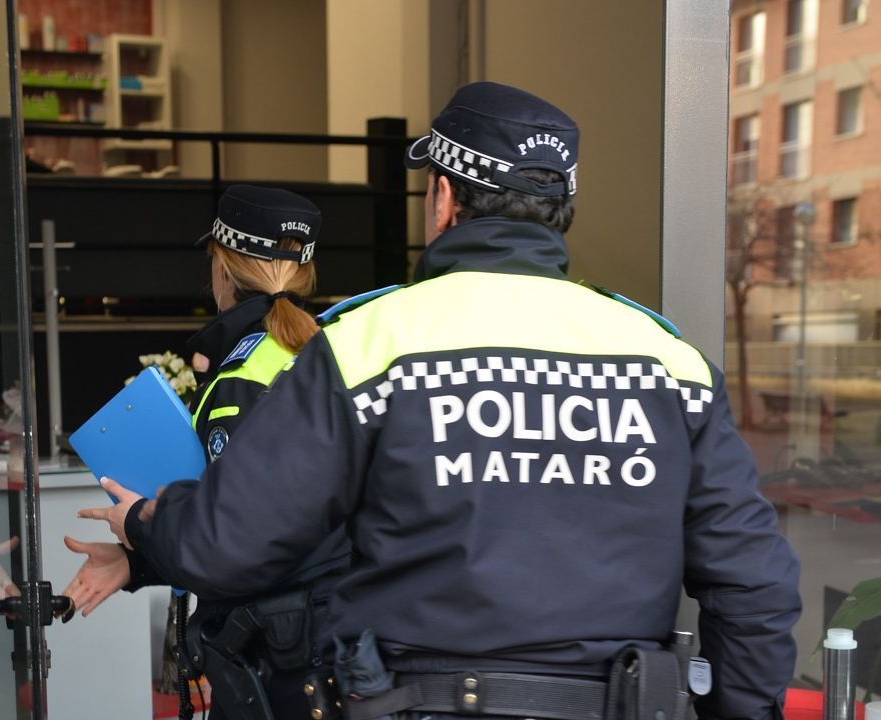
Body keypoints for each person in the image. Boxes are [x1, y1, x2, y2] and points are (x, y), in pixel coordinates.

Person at [86, 82, 801, 720]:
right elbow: (754, 582)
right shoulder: (668, 361)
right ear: (560, 212)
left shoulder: (370, 344)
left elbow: (227, 543)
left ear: (444, 199)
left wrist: (145, 523)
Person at [64, 184, 350, 719]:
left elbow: (240, 539)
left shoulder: (242, 377)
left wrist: (141, 529)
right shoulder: (329, 351)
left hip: (278, 659)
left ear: (222, 269)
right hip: (328, 649)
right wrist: (137, 563)